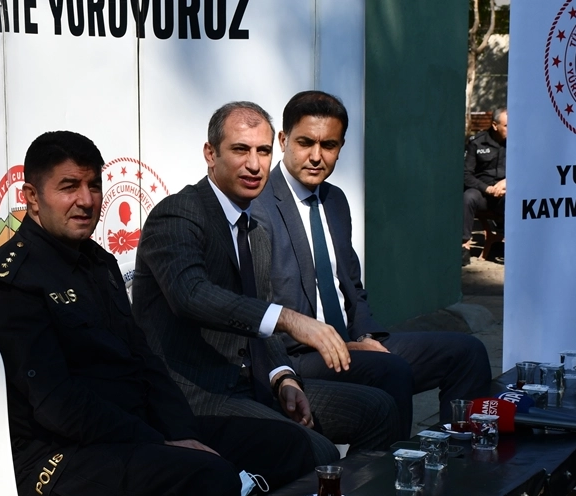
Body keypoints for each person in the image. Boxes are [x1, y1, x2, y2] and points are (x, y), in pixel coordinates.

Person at [0, 130, 315, 496]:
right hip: (61, 458)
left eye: (94, 186)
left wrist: (182, 433)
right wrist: (159, 442)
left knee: (287, 445)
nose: (85, 200)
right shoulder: (10, 282)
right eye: (69, 187)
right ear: (32, 197)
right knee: (210, 476)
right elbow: (58, 405)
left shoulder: (97, 262)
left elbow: (145, 361)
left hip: (132, 432)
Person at [132, 101, 401, 465]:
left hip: (255, 385)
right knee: (315, 450)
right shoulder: (179, 213)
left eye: (263, 151)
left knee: (379, 409)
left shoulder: (254, 229)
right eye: (240, 150)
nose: (255, 165)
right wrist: (290, 319)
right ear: (210, 153)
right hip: (196, 397)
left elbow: (262, 321)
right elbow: (190, 295)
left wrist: (283, 378)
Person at [252, 90, 492, 438]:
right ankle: (392, 467)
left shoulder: (335, 200)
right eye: (305, 143)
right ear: (283, 140)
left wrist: (364, 336)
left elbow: (353, 287)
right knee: (389, 370)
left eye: (329, 145)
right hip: (298, 354)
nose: (317, 156)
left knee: (468, 353)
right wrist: (343, 345)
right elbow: (259, 309)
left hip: (353, 342)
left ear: (340, 146)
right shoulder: (258, 205)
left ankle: (457, 458)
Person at [462, 108, 507, 265]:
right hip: (483, 193)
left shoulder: (518, 142)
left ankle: (513, 244)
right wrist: (487, 189)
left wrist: (507, 182)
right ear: (495, 125)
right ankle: (464, 246)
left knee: (516, 201)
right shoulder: (477, 142)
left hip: (506, 194)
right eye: (506, 126)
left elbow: (527, 170)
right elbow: (466, 174)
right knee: (468, 197)